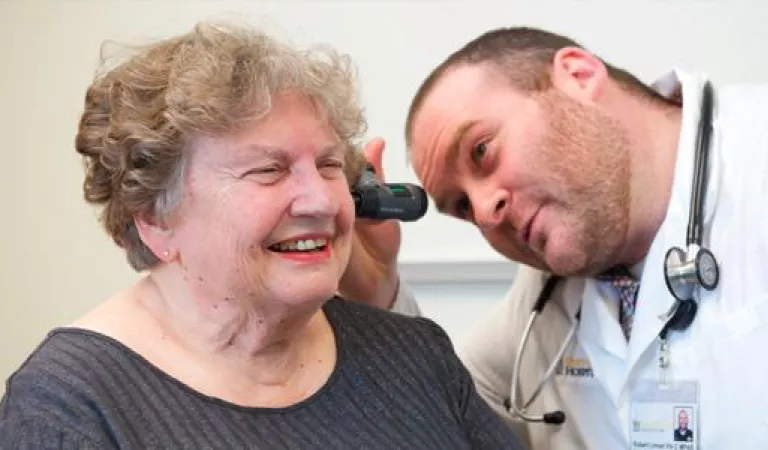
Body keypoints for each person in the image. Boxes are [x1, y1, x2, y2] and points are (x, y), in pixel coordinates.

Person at [0, 21, 526, 450]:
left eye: (326, 164)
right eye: (268, 171)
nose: (321, 200)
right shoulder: (70, 408)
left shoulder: (414, 353)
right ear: (155, 217)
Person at [356, 26, 768, 449]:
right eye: (462, 207)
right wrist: (378, 292)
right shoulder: (540, 308)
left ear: (579, 75)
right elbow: (436, 414)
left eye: (481, 150)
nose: (486, 214)